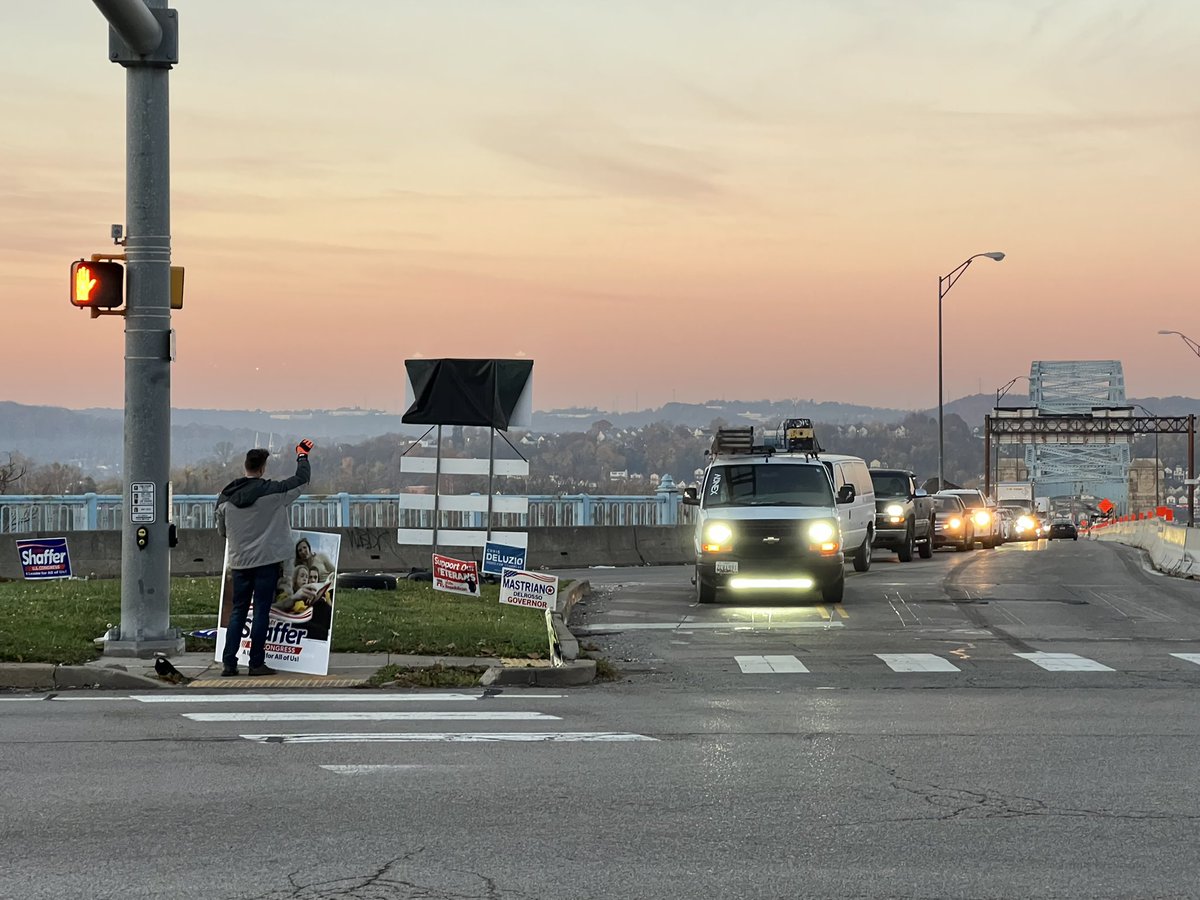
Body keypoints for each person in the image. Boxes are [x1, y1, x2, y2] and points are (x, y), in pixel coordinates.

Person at [215, 440, 313, 676]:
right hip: (266, 563)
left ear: (245, 467)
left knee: (238, 610)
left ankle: (229, 662)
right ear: (262, 469)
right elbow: (301, 481)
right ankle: (256, 663)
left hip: (239, 562)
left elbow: (222, 531)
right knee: (260, 611)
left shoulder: (225, 498)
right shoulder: (275, 493)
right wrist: (302, 456)